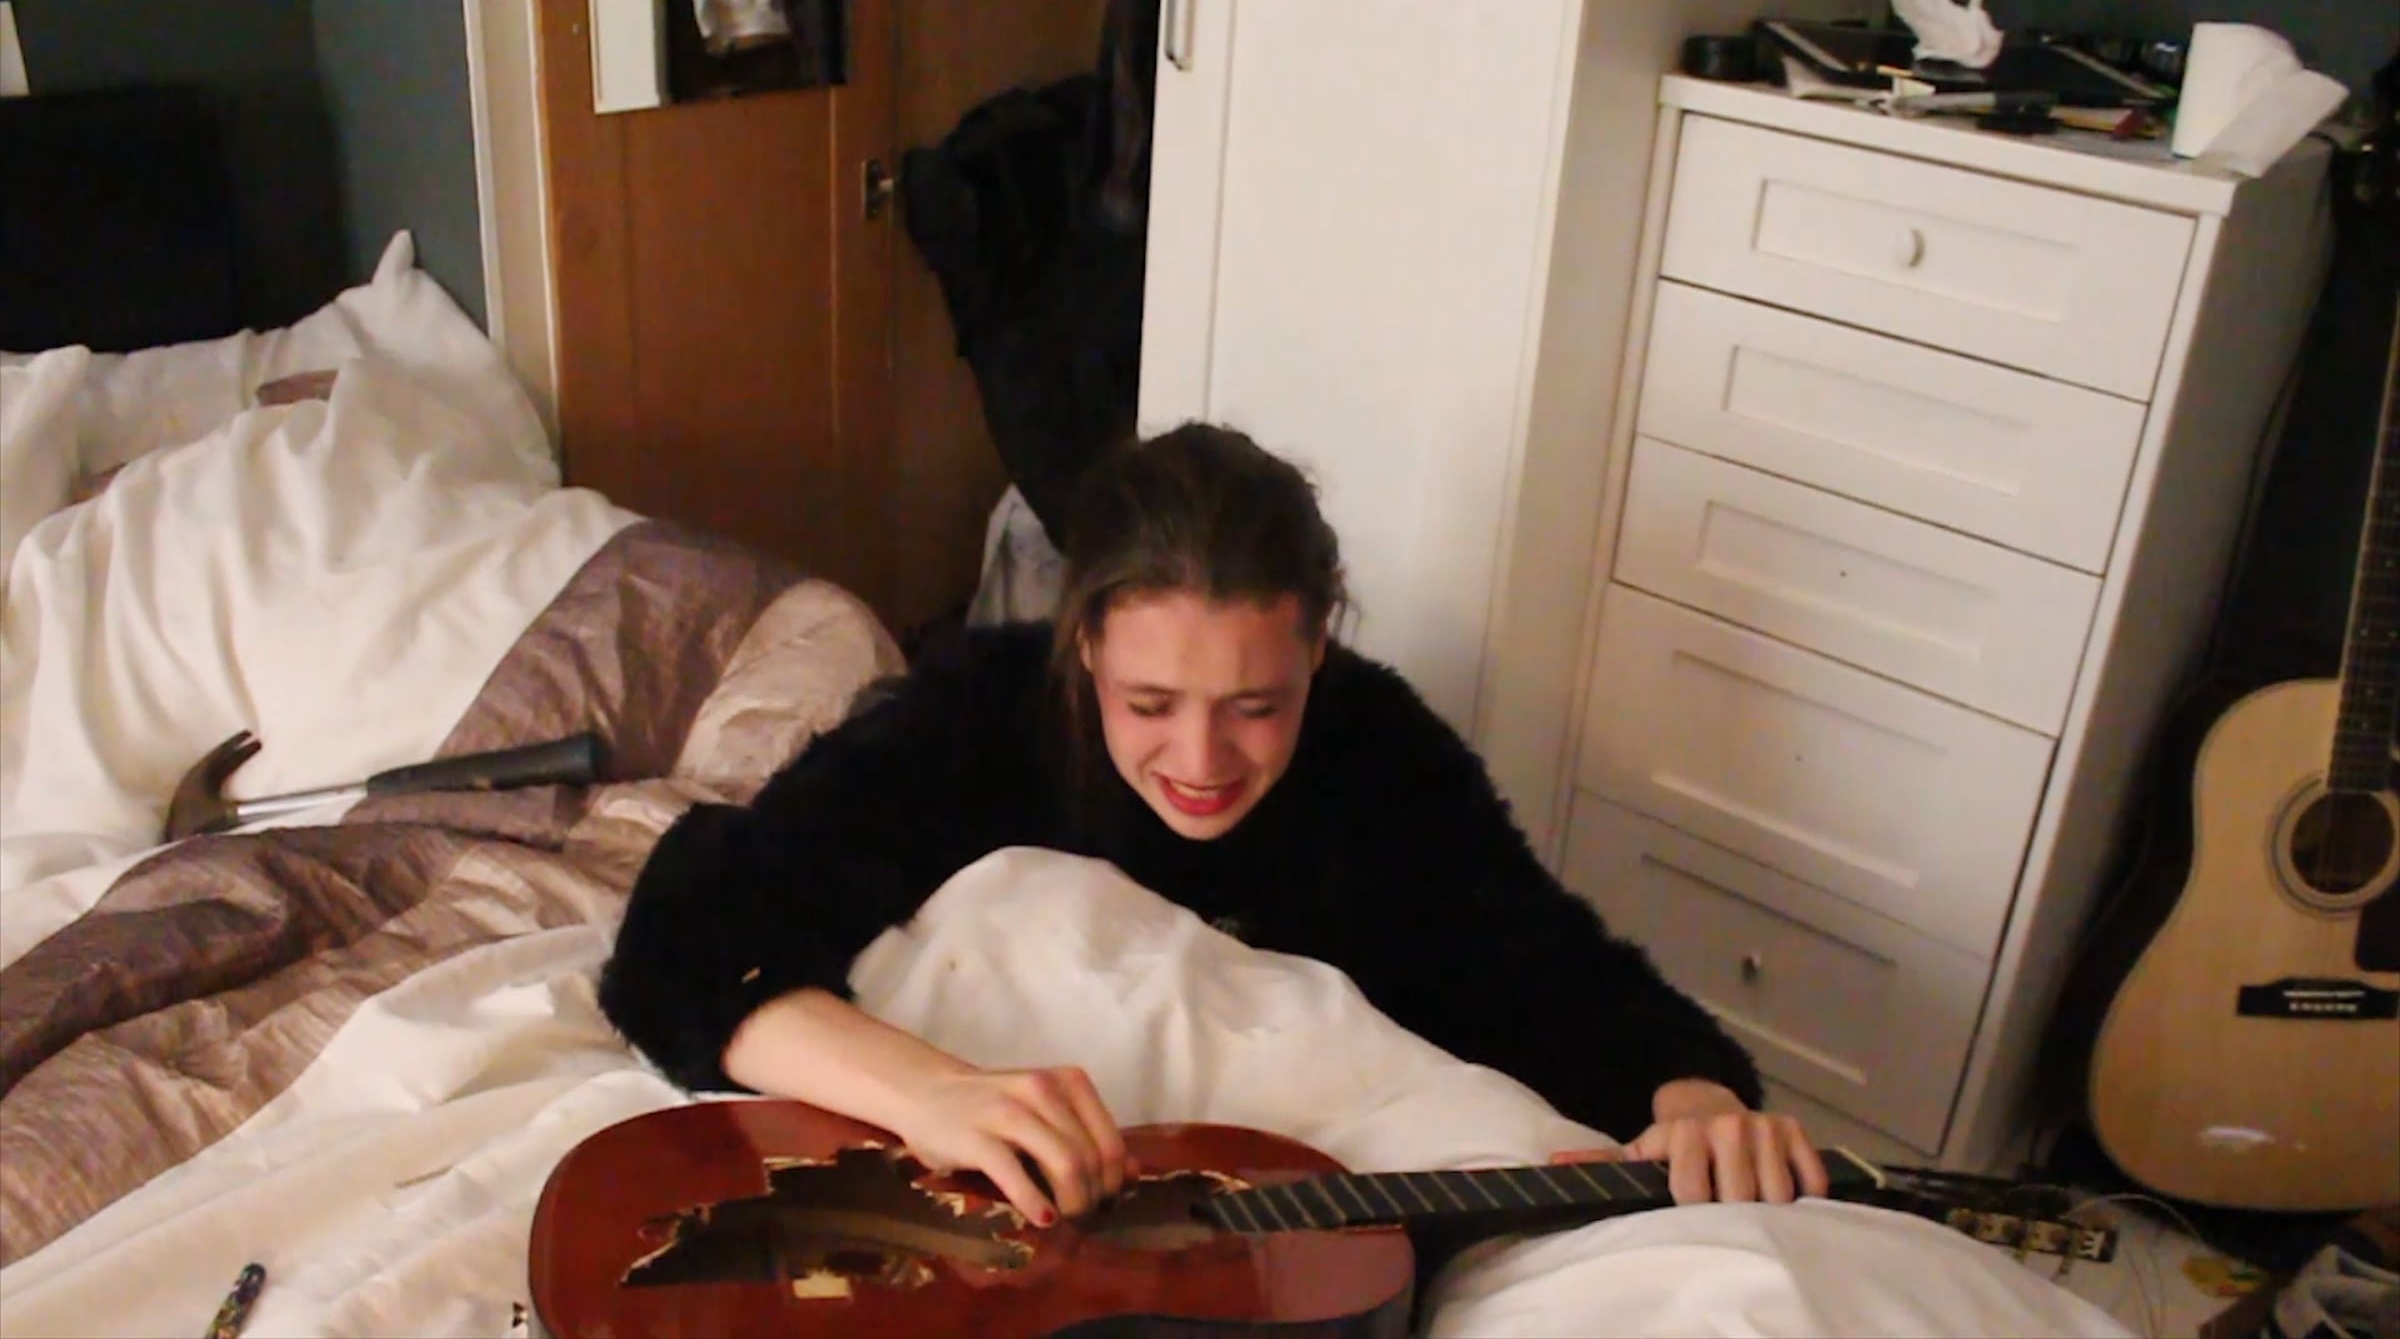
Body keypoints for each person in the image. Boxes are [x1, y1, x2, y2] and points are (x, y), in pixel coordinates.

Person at [598, 422, 1828, 1228]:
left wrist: (1695, 1094)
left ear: (1317, 651)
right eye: (1150, 705)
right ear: (1084, 646)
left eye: (1257, 707)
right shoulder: (979, 712)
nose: (1200, 762)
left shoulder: (1378, 750)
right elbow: (685, 942)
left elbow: (1556, 974)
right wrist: (936, 1095)